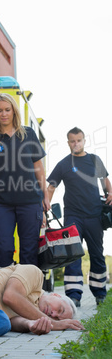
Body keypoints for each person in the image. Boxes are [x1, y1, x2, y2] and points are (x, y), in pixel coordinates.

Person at [0, 93, 50, 268]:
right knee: (2, 248)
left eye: (7, 110)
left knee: (29, 251)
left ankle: (27, 293)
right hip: (3, 204)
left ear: (14, 111)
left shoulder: (28, 134)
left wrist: (45, 197)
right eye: (0, 110)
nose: (4, 114)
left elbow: (38, 168)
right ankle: (4, 290)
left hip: (30, 203)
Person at [47, 127, 112, 307]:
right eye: (72, 141)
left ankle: (100, 294)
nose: (76, 144)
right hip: (73, 217)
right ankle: (74, 296)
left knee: (97, 254)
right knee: (73, 255)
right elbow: (51, 187)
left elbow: (105, 180)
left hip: (94, 216)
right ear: (68, 142)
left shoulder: (94, 160)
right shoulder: (63, 164)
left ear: (84, 141)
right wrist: (44, 206)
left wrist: (110, 193)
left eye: (79, 140)